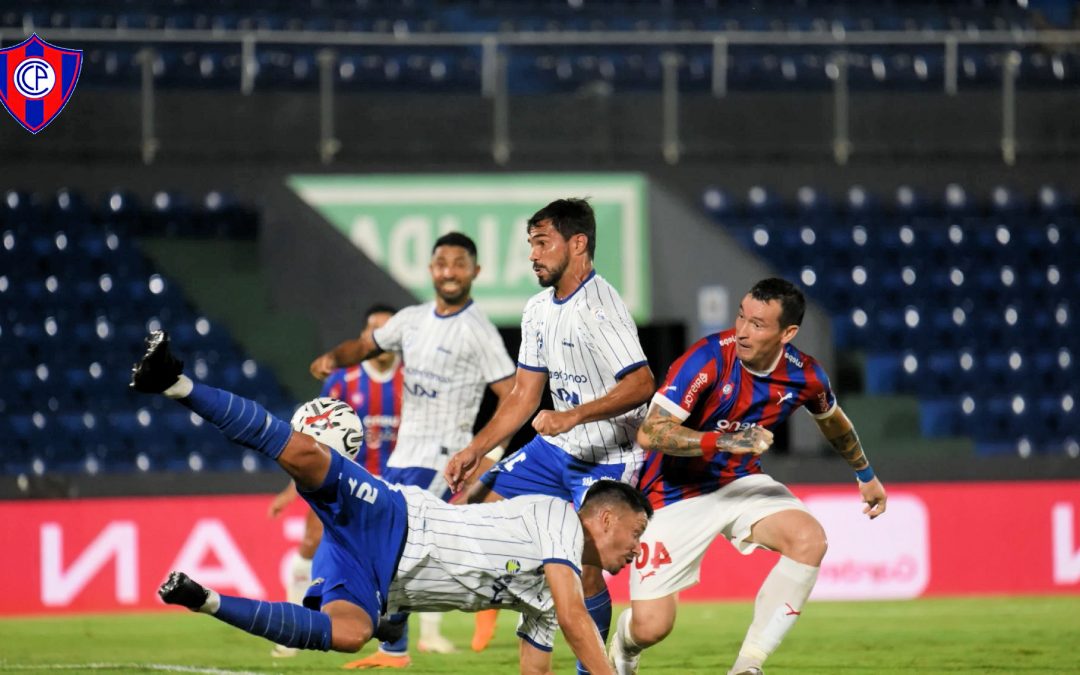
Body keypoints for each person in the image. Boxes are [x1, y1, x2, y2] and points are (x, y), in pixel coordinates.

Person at [130, 330, 650, 675]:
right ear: (606, 517)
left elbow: (536, 666)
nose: (636, 550)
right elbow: (576, 619)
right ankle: (176, 383)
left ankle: (205, 600)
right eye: (636, 534)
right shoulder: (558, 517)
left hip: (381, 578)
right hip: (397, 520)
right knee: (306, 457)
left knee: (351, 633)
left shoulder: (540, 600)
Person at [607, 277, 889, 675]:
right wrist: (724, 441)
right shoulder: (708, 357)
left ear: (787, 333)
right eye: (741, 316)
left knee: (810, 539)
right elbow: (651, 432)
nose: (742, 329)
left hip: (740, 484)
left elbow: (833, 422)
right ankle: (625, 646)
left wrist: (865, 474)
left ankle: (747, 666)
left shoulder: (806, 376)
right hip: (672, 492)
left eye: (757, 324)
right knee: (652, 627)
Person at [444, 198, 656, 675]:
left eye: (543, 243)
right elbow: (522, 394)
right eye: (531, 244)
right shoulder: (538, 309)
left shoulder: (602, 307)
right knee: (473, 509)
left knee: (584, 567)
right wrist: (474, 449)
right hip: (555, 449)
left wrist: (573, 416)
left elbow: (643, 383)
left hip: (607, 455)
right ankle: (520, 617)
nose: (533, 255)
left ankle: (593, 669)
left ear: (577, 243)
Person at [310, 231, 516, 664]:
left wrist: (490, 455)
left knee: (398, 539)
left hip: (444, 458)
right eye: (442, 262)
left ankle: (495, 594)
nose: (450, 271)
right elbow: (365, 346)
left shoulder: (479, 332)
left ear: (475, 272)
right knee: (381, 537)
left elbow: (515, 396)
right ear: (431, 269)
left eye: (460, 263)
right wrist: (335, 357)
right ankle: (393, 644)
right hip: (401, 457)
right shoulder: (410, 320)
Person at [267, 304, 402, 658]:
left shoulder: (413, 380)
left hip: (393, 488)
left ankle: (423, 637)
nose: (382, 340)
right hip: (339, 483)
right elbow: (312, 442)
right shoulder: (343, 381)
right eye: (375, 331)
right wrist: (289, 490)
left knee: (404, 557)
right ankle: (291, 627)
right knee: (312, 540)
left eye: (389, 332)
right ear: (364, 337)